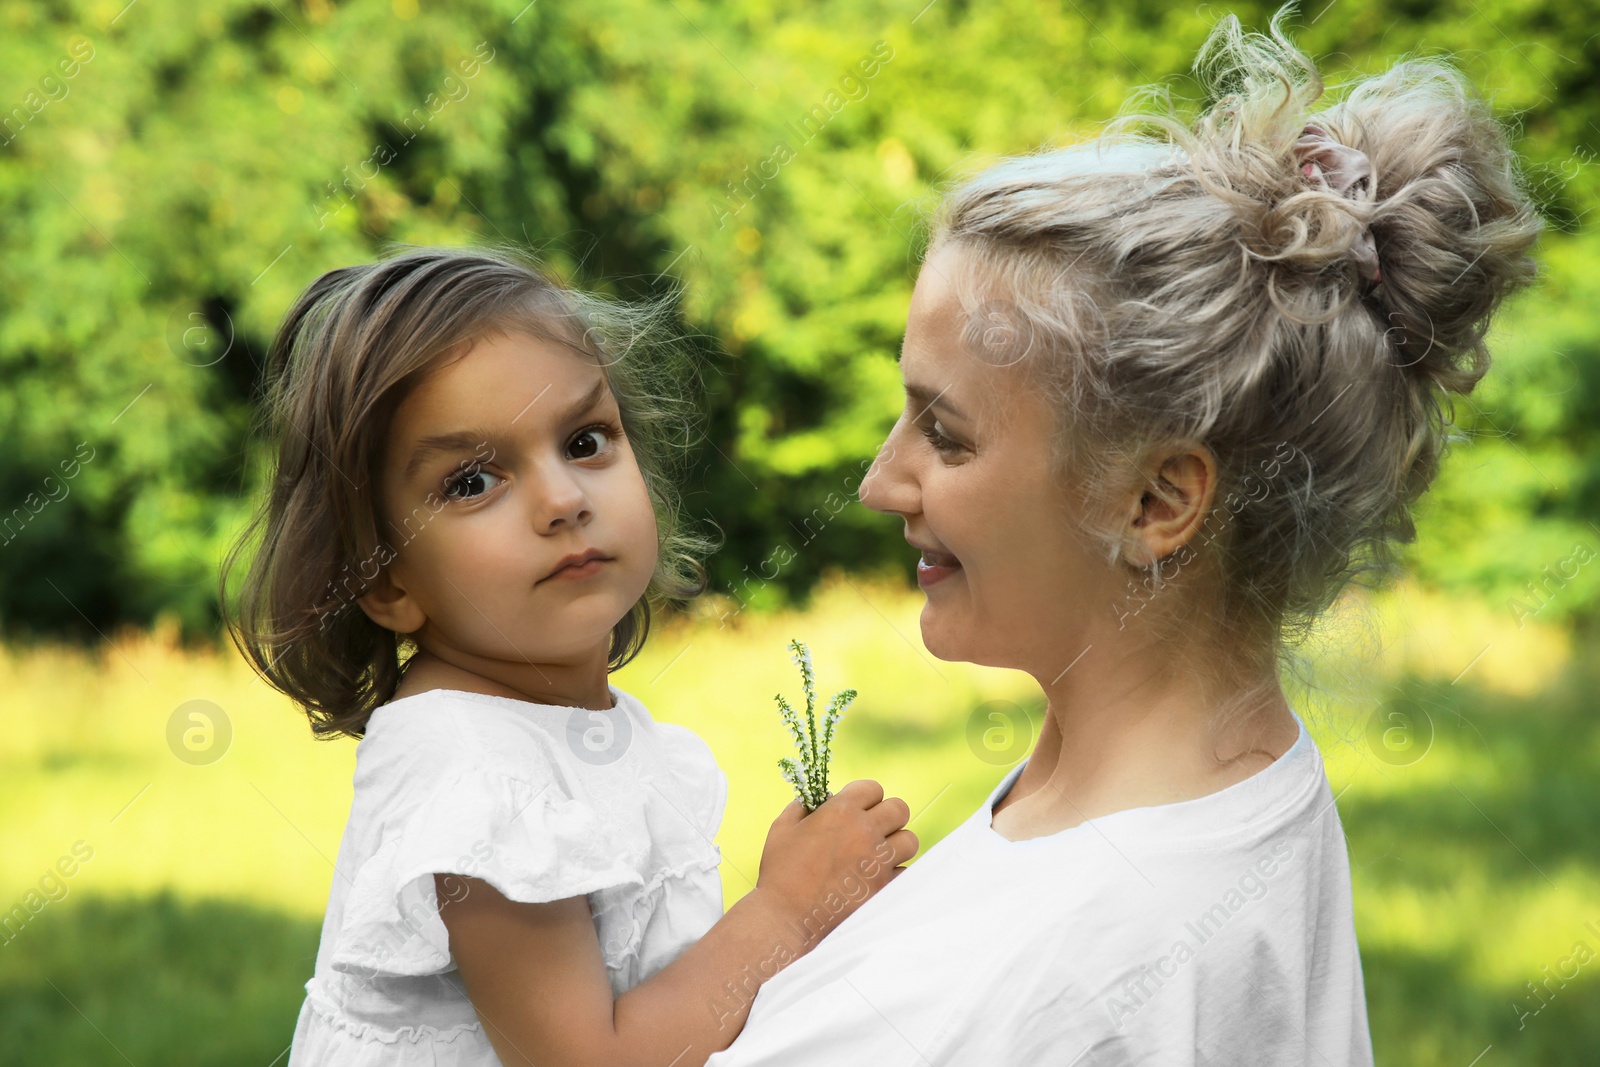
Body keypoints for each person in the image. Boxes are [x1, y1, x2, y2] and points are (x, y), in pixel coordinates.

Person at [707, 11, 1540, 1066]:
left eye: (945, 434)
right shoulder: (1241, 779)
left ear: (1155, 502)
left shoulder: (1019, 994)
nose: (880, 482)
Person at [223, 246, 918, 1066]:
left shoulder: (563, 729)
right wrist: (785, 912)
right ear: (384, 581)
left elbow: (658, 1003)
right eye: (473, 481)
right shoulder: (472, 772)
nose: (562, 500)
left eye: (585, 440)